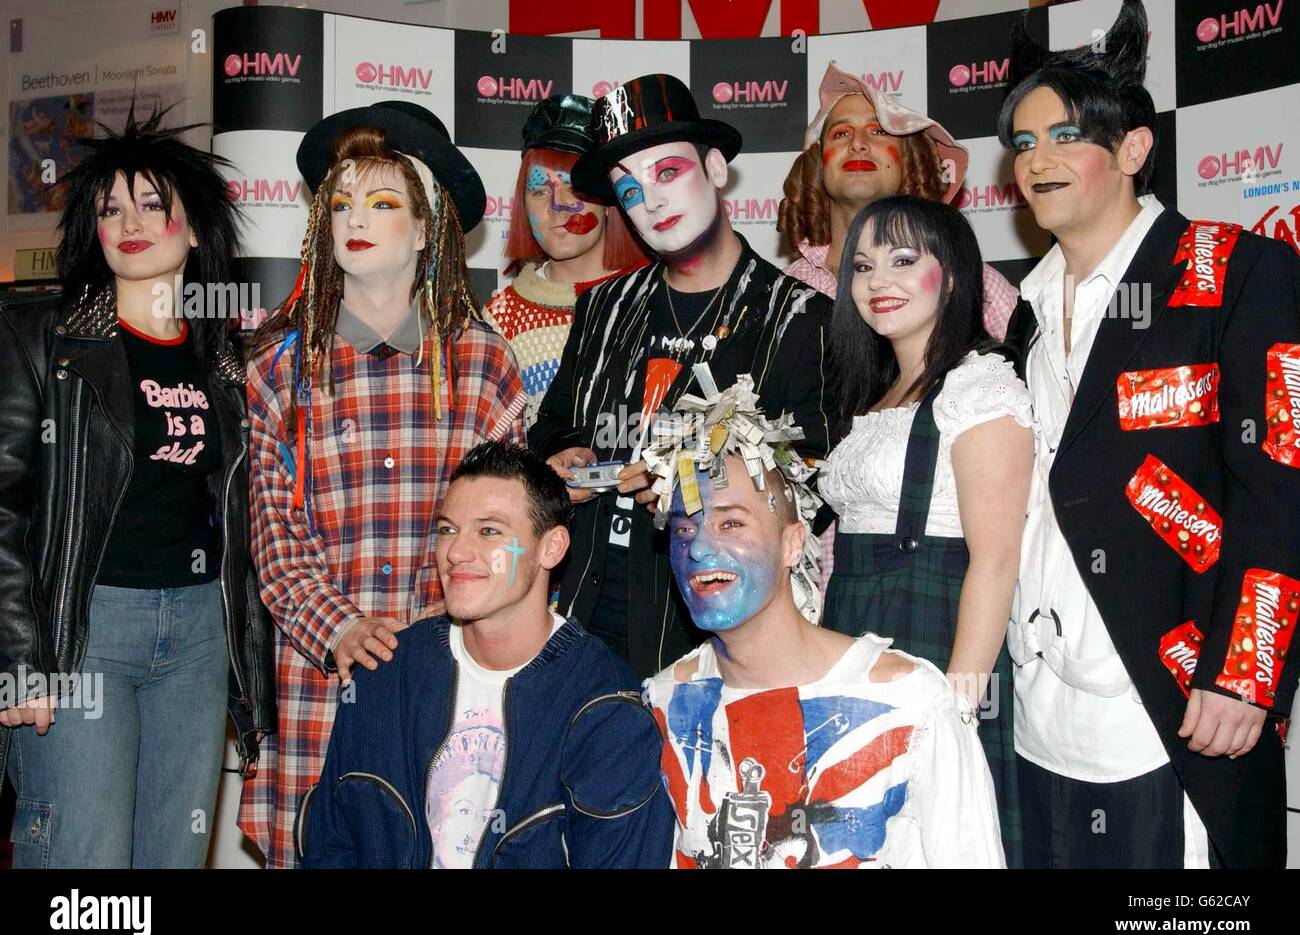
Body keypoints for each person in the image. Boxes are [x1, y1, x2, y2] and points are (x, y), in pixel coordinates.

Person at [1000, 0, 1300, 868]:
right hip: (1038, 718)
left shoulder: (1240, 269)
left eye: (1063, 135)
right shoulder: (1019, 314)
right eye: (1023, 143)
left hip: (1172, 715)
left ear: (1134, 149)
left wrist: (1246, 673)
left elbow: (1283, 484)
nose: (1038, 160)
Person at [239, 101, 527, 869]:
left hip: (451, 690)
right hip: (319, 690)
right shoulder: (278, 369)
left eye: (382, 201)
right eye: (339, 202)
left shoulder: (483, 366)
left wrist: (443, 634)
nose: (353, 218)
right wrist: (338, 627)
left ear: (428, 227)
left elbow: (506, 536)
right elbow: (273, 537)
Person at [0, 104, 273, 867]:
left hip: (196, 638)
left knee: (171, 859)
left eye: (154, 204)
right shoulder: (41, 338)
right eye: (110, 206)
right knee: (83, 862)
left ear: (195, 230)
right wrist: (19, 659)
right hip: (81, 634)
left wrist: (251, 688)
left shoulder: (229, 364)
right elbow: (3, 507)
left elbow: (243, 526)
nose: (128, 220)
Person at [532, 73, 833, 677]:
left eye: (667, 173)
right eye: (630, 190)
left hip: (715, 631)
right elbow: (553, 426)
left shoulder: (800, 318)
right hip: (583, 616)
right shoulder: (604, 306)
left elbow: (814, 484)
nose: (653, 201)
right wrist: (565, 455)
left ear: (716, 169)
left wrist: (693, 485)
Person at [640, 373, 1005, 868]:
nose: (699, 548)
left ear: (793, 543)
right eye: (684, 529)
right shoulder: (666, 703)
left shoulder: (910, 704)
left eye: (731, 522)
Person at [300, 441, 674, 868]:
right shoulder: (381, 676)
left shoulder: (607, 713)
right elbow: (330, 851)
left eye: (489, 531)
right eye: (447, 529)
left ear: (551, 548)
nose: (457, 552)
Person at [817, 195, 1032, 865]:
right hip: (854, 641)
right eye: (863, 264)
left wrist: (957, 711)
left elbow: (996, 561)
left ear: (956, 273)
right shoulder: (873, 394)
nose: (879, 281)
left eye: (905, 259)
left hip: (934, 644)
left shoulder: (981, 387)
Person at [780, 62, 1018, 340]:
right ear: (818, 166)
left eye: (878, 131)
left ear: (911, 161)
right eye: (841, 133)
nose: (857, 144)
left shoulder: (972, 282)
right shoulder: (784, 291)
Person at [486, 94, 646, 428]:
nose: (556, 206)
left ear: (607, 201)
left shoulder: (655, 295)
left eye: (574, 188)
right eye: (539, 191)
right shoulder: (499, 320)